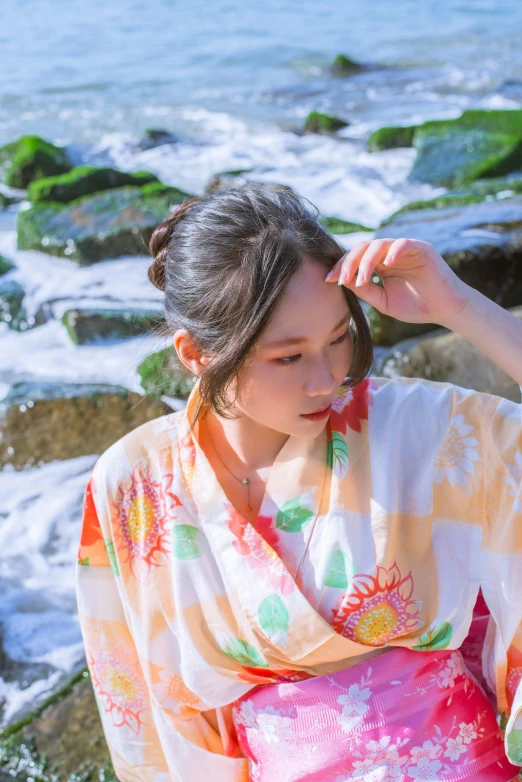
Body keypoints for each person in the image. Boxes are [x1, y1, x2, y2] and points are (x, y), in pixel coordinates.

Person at [75, 183, 522, 782]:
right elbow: (142, 714)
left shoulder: (412, 431)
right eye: (288, 357)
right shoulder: (135, 482)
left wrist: (459, 307)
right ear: (196, 354)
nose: (327, 379)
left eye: (339, 338)